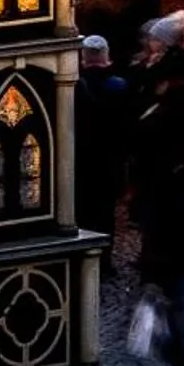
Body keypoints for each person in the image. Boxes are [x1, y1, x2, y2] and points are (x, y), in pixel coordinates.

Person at [72, 33, 132, 238]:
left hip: (82, 158)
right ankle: (105, 257)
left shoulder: (73, 87)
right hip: (110, 159)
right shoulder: (120, 86)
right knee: (106, 211)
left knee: (83, 209)